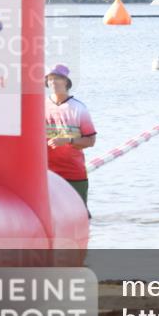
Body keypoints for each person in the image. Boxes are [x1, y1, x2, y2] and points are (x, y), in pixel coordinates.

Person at [44, 64, 97, 212]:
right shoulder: (40, 106)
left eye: (57, 78)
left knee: (80, 215)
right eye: (50, 79)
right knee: (52, 215)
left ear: (66, 82)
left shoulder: (78, 108)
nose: (53, 82)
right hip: (47, 174)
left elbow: (91, 141)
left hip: (73, 172)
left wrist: (67, 140)